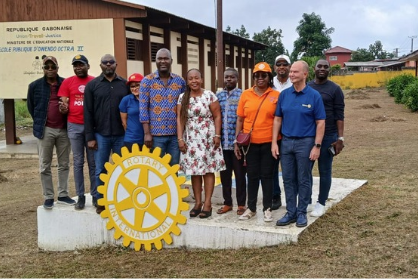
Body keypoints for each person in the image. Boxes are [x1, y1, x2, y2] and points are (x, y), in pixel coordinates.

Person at [272, 61, 326, 228]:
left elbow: (320, 122)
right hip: (286, 142)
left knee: (303, 179)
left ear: (305, 74)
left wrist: (317, 146)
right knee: (288, 178)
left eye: (295, 72)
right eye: (291, 72)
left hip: (306, 142)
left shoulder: (314, 96)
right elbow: (278, 119)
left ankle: (302, 212)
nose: (291, 74)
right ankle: (291, 212)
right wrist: (274, 142)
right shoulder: (284, 95)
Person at [27, 56, 75, 209]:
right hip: (45, 130)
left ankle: (63, 194)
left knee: (64, 164)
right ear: (43, 69)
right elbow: (31, 106)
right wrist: (42, 122)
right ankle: (48, 196)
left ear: (57, 68)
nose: (49, 70)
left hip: (64, 130)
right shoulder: (34, 86)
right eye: (46, 67)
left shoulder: (65, 83)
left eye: (52, 67)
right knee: (44, 165)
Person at [176, 69, 226, 219]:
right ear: (187, 81)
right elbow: (180, 119)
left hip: (208, 138)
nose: (194, 81)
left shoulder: (209, 95)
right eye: (190, 79)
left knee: (208, 170)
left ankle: (207, 203)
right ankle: (197, 203)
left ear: (202, 79)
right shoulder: (182, 98)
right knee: (194, 172)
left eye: (196, 78)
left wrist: (217, 135)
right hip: (191, 138)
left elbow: (217, 116)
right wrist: (180, 139)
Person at [84, 54, 130, 214]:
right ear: (100, 65)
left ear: (116, 64)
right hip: (100, 134)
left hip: (121, 135)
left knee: (122, 169)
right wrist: (89, 137)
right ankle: (100, 200)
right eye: (105, 62)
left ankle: (122, 199)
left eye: (111, 62)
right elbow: (87, 112)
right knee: (100, 170)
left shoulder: (125, 84)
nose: (108, 65)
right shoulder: (92, 86)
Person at [235, 62, 280, 222]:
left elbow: (278, 120)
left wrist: (275, 143)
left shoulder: (276, 95)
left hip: (269, 142)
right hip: (250, 145)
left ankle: (267, 208)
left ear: (269, 77)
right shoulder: (246, 95)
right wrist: (236, 142)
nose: (260, 78)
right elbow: (240, 119)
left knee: (267, 176)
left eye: (264, 75)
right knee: (252, 176)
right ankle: (251, 208)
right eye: (257, 75)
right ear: (253, 77)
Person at [307, 59, 345, 217]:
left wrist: (340, 138)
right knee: (305, 170)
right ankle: (306, 199)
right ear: (314, 69)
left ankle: (321, 203)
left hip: (328, 136)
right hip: (308, 135)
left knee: (325, 170)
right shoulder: (307, 87)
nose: (322, 69)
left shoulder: (335, 89)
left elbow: (339, 115)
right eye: (319, 66)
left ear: (329, 70)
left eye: (325, 67)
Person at [57, 54, 95, 210]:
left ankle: (95, 195)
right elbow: (63, 101)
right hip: (74, 126)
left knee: (93, 163)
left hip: (91, 127)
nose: (78, 68)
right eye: (76, 65)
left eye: (81, 65)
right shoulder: (68, 82)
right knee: (78, 162)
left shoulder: (94, 81)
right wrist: (63, 107)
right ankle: (80, 196)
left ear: (88, 66)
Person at [140, 48, 186, 166]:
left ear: (171, 60)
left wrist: (183, 134)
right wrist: (147, 134)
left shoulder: (180, 81)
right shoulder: (147, 81)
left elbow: (184, 107)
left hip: (175, 135)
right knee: (156, 169)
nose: (163, 61)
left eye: (166, 58)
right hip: (155, 136)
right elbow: (143, 108)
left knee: (174, 168)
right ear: (155, 61)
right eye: (160, 59)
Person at [216, 68, 247, 216]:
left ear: (237, 79)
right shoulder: (218, 96)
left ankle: (241, 204)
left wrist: (239, 141)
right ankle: (227, 202)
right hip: (222, 144)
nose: (229, 80)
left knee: (240, 175)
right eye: (226, 77)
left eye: (232, 77)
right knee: (225, 175)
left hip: (237, 145)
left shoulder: (243, 95)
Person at [271, 54, 293, 210]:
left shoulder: (295, 82)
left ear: (289, 67)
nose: (282, 67)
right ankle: (275, 195)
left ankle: (293, 198)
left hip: (290, 131)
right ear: (274, 67)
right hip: (272, 131)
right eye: (279, 64)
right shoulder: (269, 82)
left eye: (285, 64)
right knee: (272, 167)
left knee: (289, 168)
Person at [119, 73, 145, 152]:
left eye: (137, 85)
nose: (135, 88)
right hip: (131, 139)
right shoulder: (126, 100)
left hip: (148, 139)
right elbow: (124, 123)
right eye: (132, 86)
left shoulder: (150, 99)